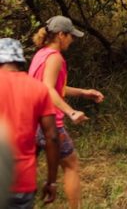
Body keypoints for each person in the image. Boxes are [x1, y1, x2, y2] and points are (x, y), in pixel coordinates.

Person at [28, 16, 104, 209]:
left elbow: (55, 86)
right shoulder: (55, 58)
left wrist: (83, 92)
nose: (72, 39)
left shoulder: (41, 54)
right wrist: (71, 112)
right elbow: (48, 89)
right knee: (71, 166)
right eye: (70, 36)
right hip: (49, 122)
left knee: (24, 168)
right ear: (61, 35)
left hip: (32, 121)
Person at [0, 38, 59, 209]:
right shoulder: (38, 89)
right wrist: (52, 182)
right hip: (22, 182)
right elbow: (52, 137)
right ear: (20, 60)